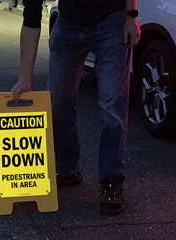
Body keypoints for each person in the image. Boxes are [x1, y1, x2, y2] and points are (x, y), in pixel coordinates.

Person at [11, 0, 141, 214]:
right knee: (57, 103)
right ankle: (67, 168)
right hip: (68, 25)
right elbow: (31, 19)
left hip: (111, 21)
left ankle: (112, 178)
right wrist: (24, 79)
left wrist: (130, 16)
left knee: (111, 106)